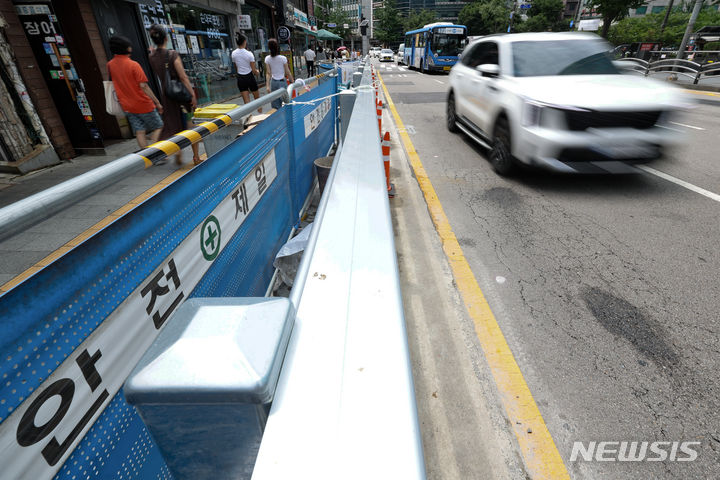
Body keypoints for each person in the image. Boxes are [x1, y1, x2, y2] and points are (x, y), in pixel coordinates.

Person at [147, 24, 201, 165]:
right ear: (166, 38)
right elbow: (183, 77)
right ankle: (196, 156)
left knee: (175, 125)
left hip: (167, 96)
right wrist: (192, 95)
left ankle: (178, 152)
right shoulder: (172, 55)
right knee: (190, 125)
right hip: (182, 95)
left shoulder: (152, 57)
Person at [107, 35, 163, 149]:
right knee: (159, 126)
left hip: (127, 105)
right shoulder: (133, 65)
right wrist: (157, 102)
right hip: (143, 104)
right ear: (127, 48)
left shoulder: (110, 65)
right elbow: (144, 86)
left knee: (140, 131)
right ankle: (155, 152)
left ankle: (146, 156)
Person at [232, 32, 262, 113]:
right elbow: (253, 70)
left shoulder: (233, 53)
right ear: (245, 41)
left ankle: (249, 118)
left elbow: (236, 67)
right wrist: (257, 72)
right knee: (257, 99)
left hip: (240, 78)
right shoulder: (249, 54)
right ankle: (260, 114)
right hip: (249, 77)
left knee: (246, 102)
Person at [265, 38, 293, 111]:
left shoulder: (267, 59)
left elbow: (268, 73)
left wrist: (267, 86)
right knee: (287, 102)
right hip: (282, 82)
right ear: (277, 47)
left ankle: (279, 120)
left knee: (276, 106)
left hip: (273, 82)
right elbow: (287, 72)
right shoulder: (283, 58)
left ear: (269, 48)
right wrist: (292, 81)